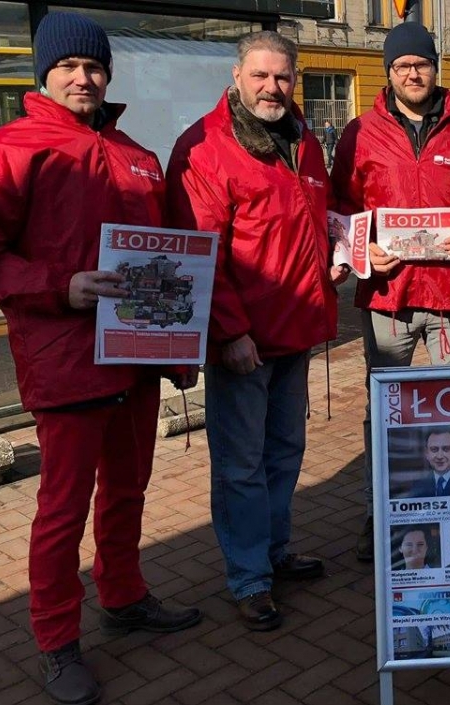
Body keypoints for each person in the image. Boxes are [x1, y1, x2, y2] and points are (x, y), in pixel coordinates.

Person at [0, 13, 202, 705]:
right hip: (65, 360)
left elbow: (166, 261)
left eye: (93, 66)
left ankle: (123, 595)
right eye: (68, 67)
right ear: (44, 74)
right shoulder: (7, 151)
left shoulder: (135, 154)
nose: (83, 77)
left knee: (127, 489)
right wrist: (60, 286)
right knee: (62, 510)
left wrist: (178, 346)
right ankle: (57, 642)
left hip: (136, 359)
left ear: (107, 74)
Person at [165, 30, 346, 633]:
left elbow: (311, 221)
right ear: (237, 76)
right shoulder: (204, 148)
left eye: (283, 77)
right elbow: (203, 253)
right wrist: (229, 332)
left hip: (297, 326)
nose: (273, 87)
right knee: (240, 464)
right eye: (261, 76)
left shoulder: (303, 140)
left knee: (285, 451)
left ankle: (273, 550)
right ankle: (248, 576)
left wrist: (335, 255)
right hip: (244, 341)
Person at [331, 22, 450, 562]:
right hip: (387, 297)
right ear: (389, 72)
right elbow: (340, 209)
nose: (412, 73)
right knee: (387, 414)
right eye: (401, 66)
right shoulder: (360, 132)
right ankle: (382, 515)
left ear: (435, 68)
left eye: (420, 64)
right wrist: (362, 251)